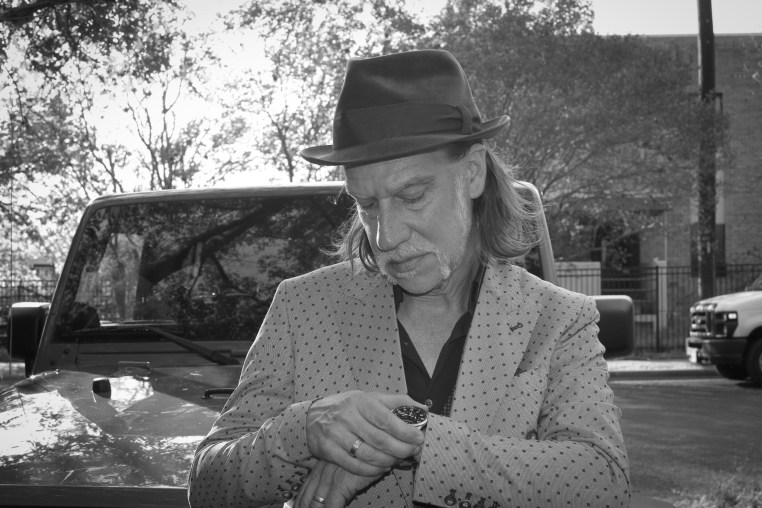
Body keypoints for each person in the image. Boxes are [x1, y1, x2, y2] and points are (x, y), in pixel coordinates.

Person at [188, 49, 630, 508]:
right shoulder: (303, 305)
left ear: (473, 172)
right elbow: (207, 485)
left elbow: (604, 484)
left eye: (412, 196)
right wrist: (303, 429)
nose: (385, 236)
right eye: (366, 204)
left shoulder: (557, 318)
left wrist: (414, 438)